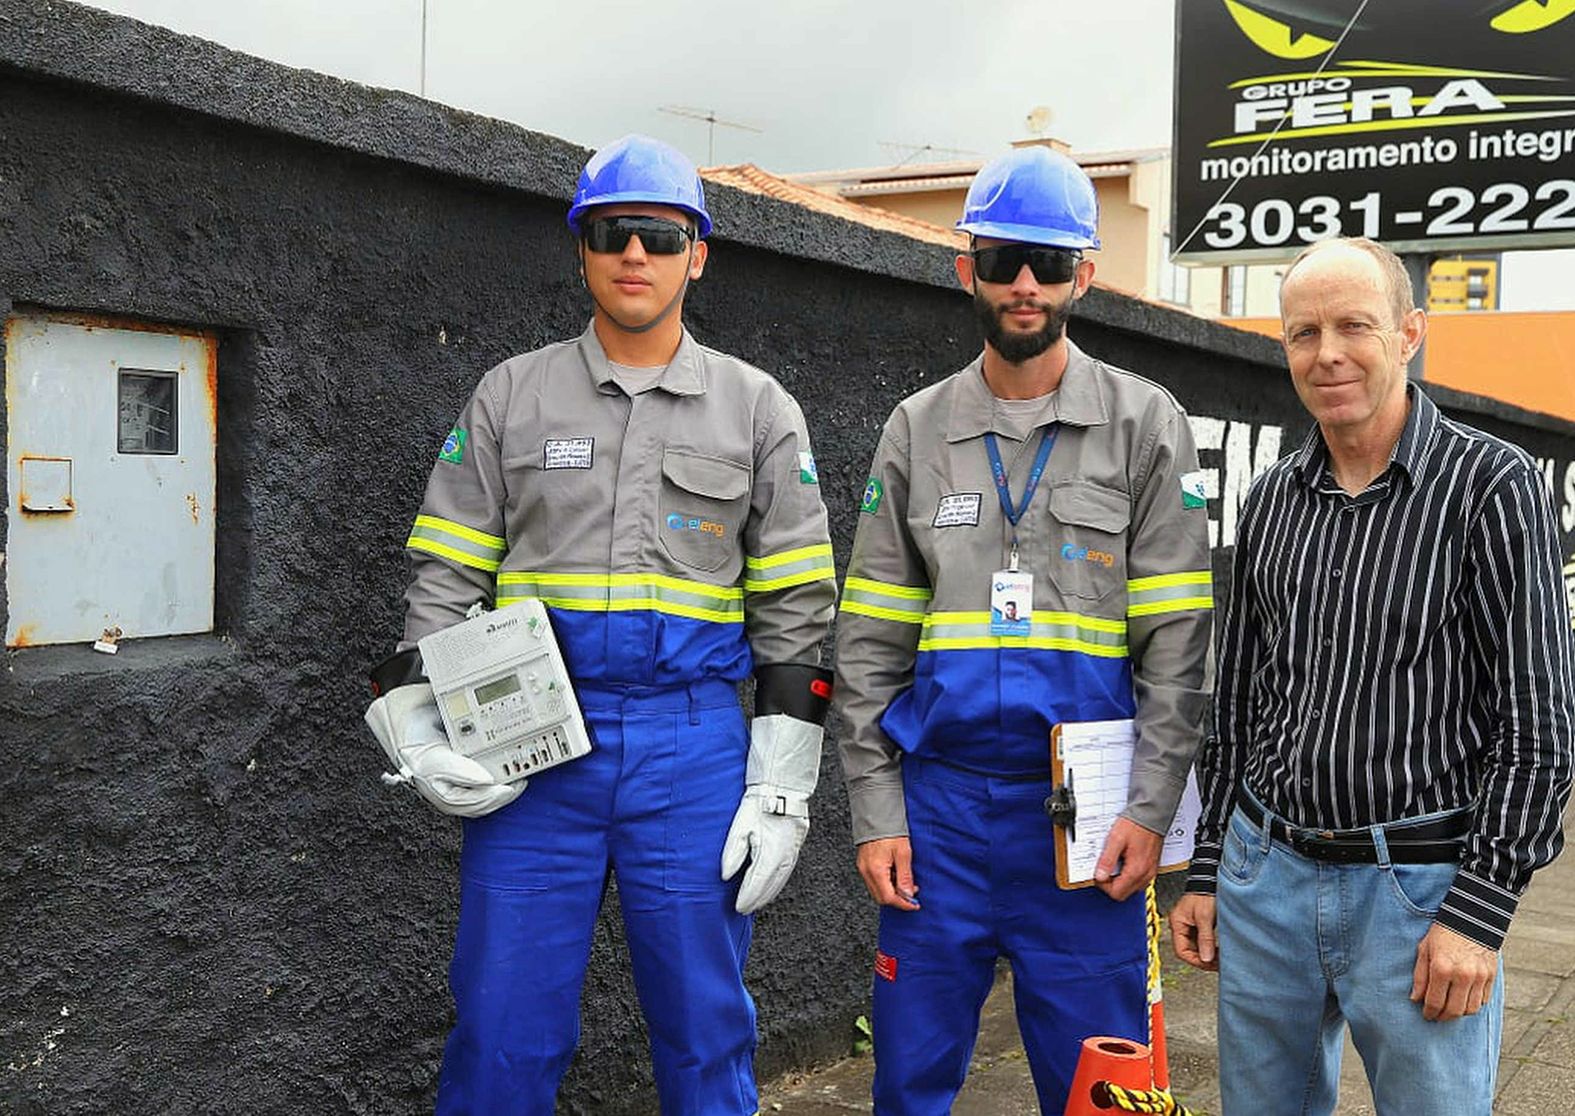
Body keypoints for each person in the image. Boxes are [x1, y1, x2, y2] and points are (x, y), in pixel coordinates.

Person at [363, 134, 838, 1115]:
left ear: (697, 254)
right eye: (614, 233)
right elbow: (445, 573)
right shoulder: (511, 395)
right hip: (531, 746)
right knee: (500, 1032)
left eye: (660, 238)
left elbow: (796, 613)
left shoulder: (757, 411)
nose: (637, 256)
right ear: (582, 248)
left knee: (707, 1031)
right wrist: (417, 724)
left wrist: (783, 786)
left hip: (691, 749)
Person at [833, 145, 1213, 1114]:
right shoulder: (914, 431)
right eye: (1004, 259)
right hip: (939, 816)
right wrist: (877, 814)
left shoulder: (1145, 423)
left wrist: (1151, 807)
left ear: (1085, 272)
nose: (1027, 283)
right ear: (969, 268)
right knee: (907, 1082)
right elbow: (869, 645)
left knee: (1102, 1091)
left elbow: (1179, 649)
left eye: (1050, 262)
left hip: (1087, 821)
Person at [1171, 237, 1575, 1114]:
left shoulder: (1489, 486)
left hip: (1418, 892)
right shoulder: (1273, 497)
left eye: (1354, 325)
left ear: (1408, 332)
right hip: (1264, 876)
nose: (1327, 354)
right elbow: (1238, 700)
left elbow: (1538, 727)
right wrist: (1208, 869)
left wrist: (1479, 911)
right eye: (1302, 332)